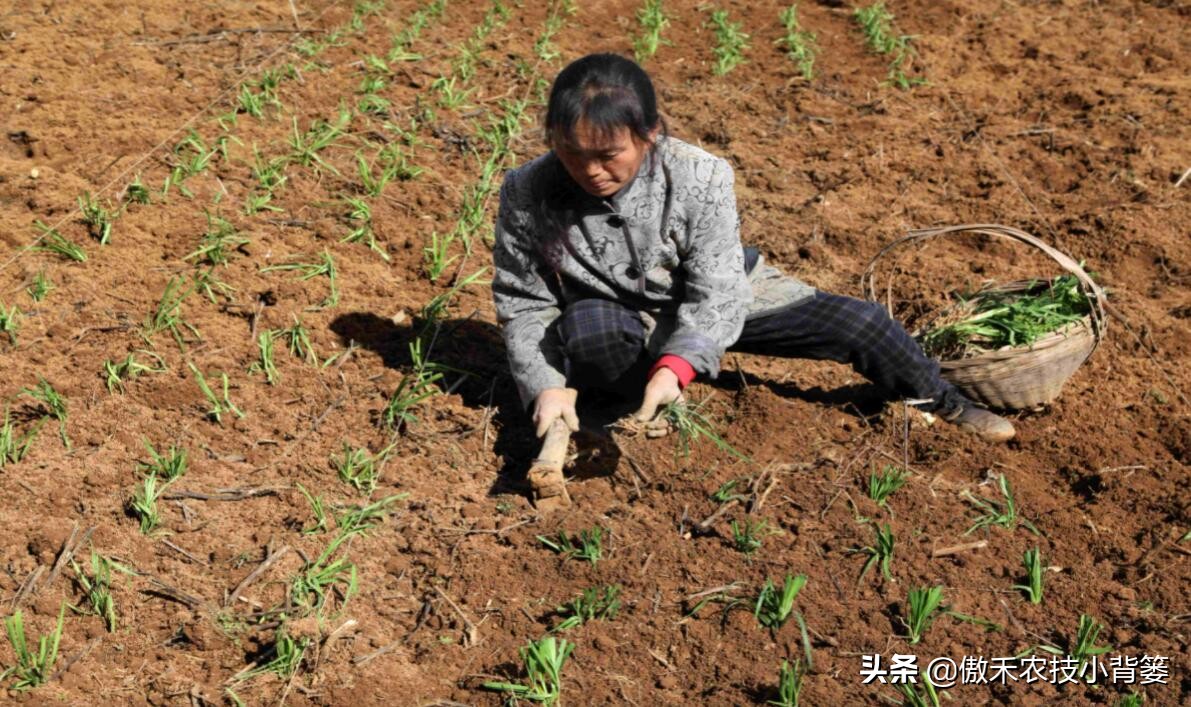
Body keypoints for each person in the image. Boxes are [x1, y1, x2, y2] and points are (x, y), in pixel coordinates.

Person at [492, 53, 1015, 445]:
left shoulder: (699, 175)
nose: (589, 171)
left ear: (648, 135)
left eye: (608, 155)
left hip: (718, 294)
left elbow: (717, 288)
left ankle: (945, 402)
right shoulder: (526, 188)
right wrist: (546, 385)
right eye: (571, 153)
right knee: (593, 333)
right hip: (614, 311)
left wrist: (679, 363)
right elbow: (524, 301)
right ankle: (629, 408)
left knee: (863, 324)